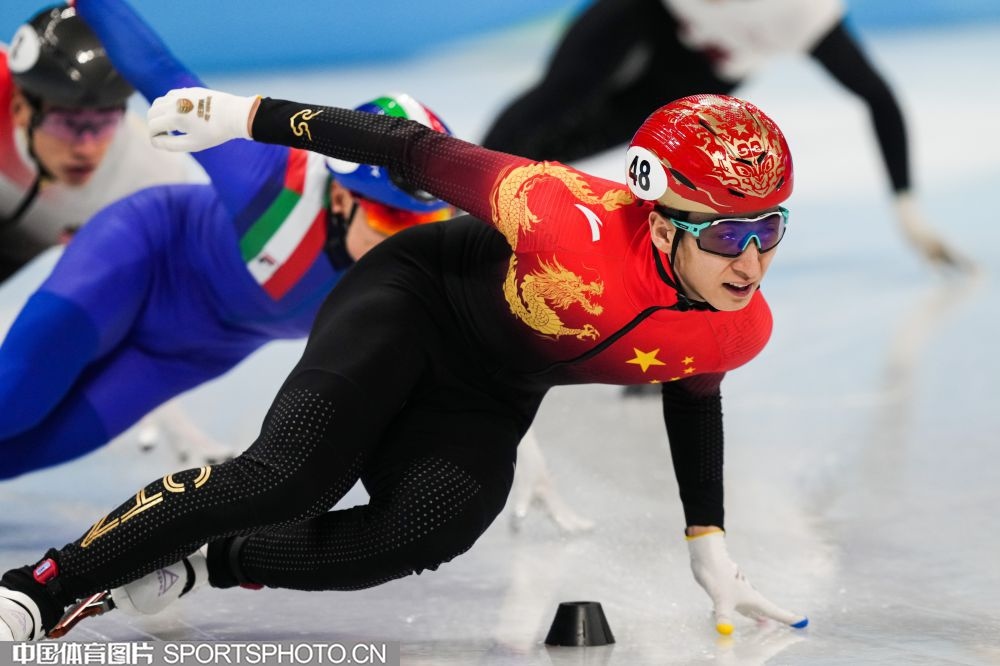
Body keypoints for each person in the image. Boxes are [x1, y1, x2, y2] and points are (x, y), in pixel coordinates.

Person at [0, 88, 809, 641]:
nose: (751, 263)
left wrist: (707, 538)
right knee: (291, 478)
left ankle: (208, 563)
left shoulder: (743, 326)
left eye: (768, 229)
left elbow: (693, 393)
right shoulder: (561, 213)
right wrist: (244, 116)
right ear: (662, 223)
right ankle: (43, 584)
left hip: (492, 389)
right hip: (413, 302)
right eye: (727, 235)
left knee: (429, 528)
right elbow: (411, 149)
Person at [0, 0, 455, 482]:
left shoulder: (438, 259)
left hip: (187, 354)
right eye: (389, 219)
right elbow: (159, 72)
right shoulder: (268, 176)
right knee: (12, 407)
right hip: (138, 259)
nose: (410, 241)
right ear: (342, 197)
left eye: (429, 221)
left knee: (14, 458)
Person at [482, 0, 972, 270]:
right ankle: (466, 180)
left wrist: (908, 210)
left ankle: (491, 208)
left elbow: (878, 97)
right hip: (647, 13)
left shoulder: (803, 12)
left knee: (576, 141)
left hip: (701, 68)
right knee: (558, 96)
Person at [0, 3, 194, 283]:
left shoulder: (156, 178)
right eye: (66, 123)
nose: (87, 148)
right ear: (20, 110)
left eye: (106, 122)